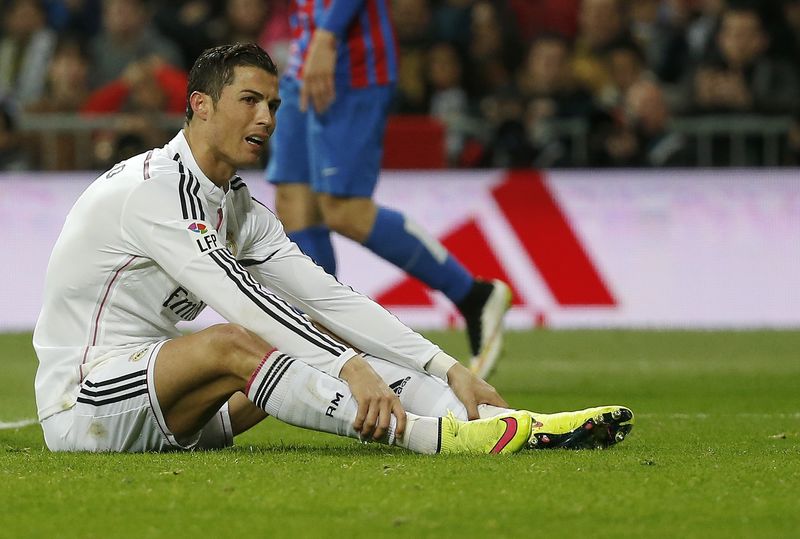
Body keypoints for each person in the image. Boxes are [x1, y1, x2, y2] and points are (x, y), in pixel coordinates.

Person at [33, 43, 635, 454]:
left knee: (316, 328)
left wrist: (447, 366)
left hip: (174, 408)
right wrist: (350, 369)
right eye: (249, 100)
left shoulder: (236, 203)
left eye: (272, 103)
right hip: (84, 405)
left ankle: (501, 424)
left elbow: (326, 295)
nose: (266, 117)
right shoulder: (155, 192)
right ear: (200, 105)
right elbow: (238, 299)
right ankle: (434, 438)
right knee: (238, 339)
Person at [266, 0, 512, 380]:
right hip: (305, 54)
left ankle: (473, 295)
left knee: (344, 209)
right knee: (294, 202)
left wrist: (327, 37)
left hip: (350, 63)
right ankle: (326, 342)